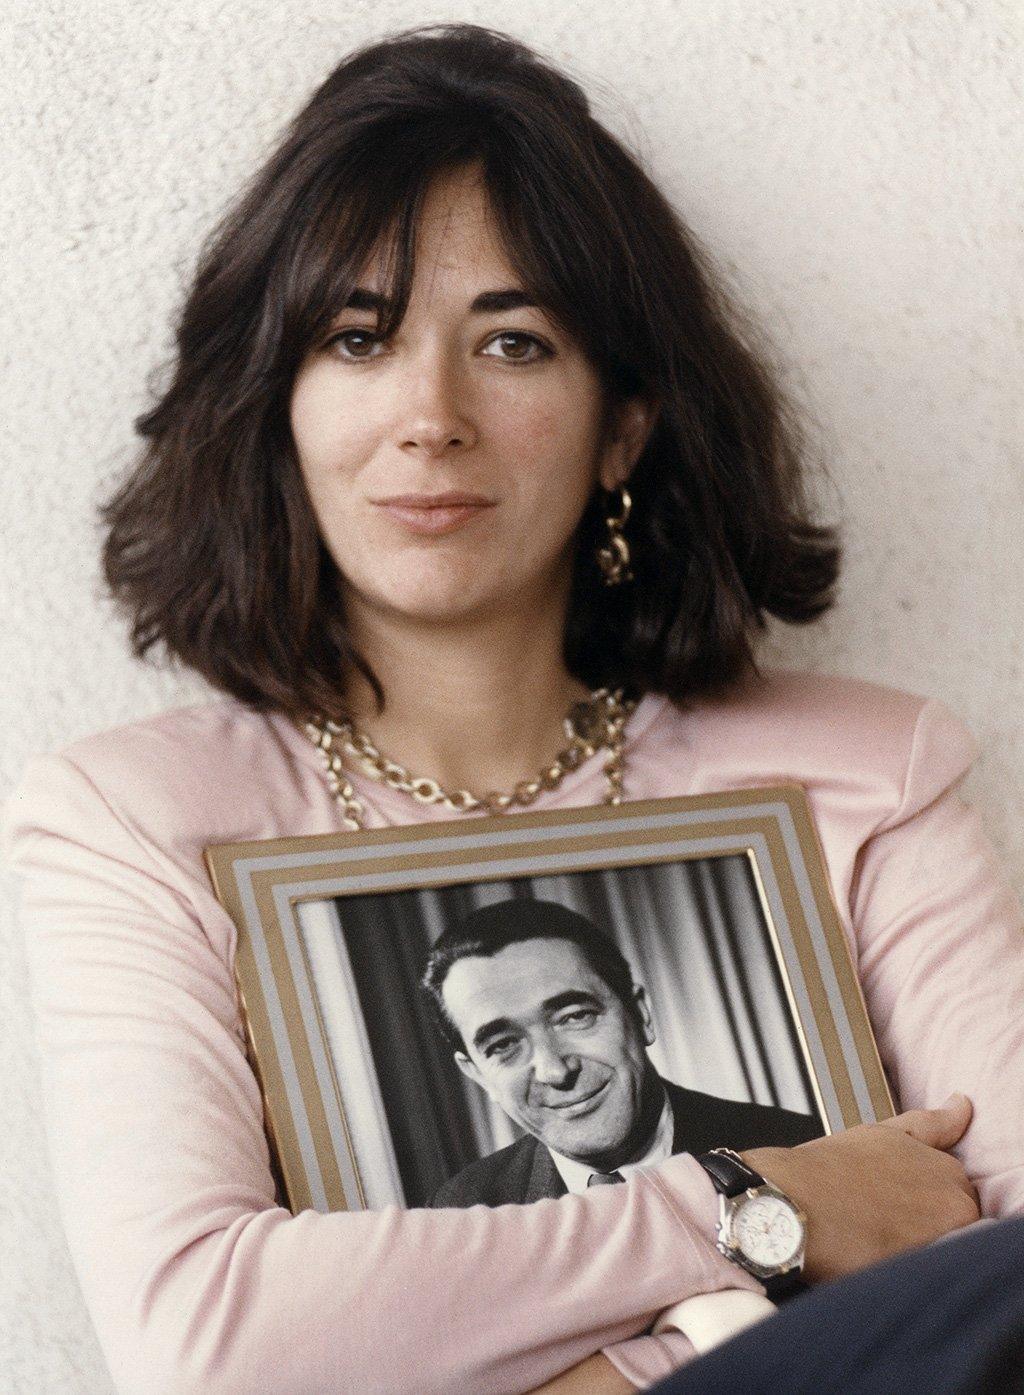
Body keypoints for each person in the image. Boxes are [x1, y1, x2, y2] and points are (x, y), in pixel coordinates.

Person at [3, 21, 1021, 1395]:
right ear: (278, 407)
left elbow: (1001, 1261)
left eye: (516, 342)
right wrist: (756, 1212)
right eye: (358, 338)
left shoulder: (867, 772)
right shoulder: (130, 820)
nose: (430, 414)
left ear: (623, 426)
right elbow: (205, 1342)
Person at [423, 898, 819, 1207]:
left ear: (641, 1015)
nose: (554, 1070)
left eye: (575, 1017)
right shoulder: (463, 1213)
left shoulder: (803, 1149)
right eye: (503, 1045)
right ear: (476, 1074)